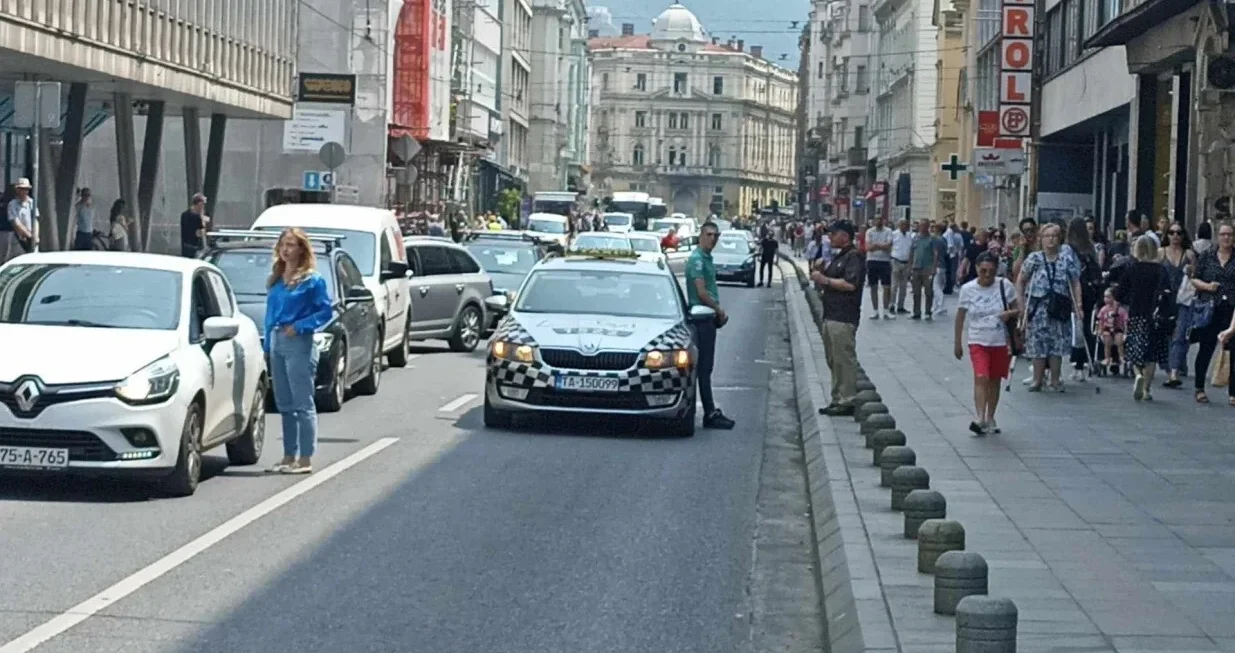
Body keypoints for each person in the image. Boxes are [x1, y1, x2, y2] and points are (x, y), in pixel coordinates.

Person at [265, 228, 335, 474]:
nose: (286, 249)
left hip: (299, 343)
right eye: (283, 244)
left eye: (291, 244)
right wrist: (267, 346)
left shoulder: (312, 280)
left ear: (301, 249)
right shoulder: (276, 276)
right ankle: (288, 456)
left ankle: (305, 459)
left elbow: (325, 312)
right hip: (277, 341)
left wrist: (301, 326)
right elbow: (269, 313)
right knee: (284, 403)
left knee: (302, 402)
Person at [953, 252, 1019, 435]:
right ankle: (980, 417)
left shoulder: (1005, 286)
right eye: (983, 271)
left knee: (995, 379)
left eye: (991, 271)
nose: (987, 275)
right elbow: (960, 316)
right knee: (981, 376)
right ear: (976, 269)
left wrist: (1010, 314)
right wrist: (957, 342)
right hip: (977, 339)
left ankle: (991, 416)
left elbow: (1018, 309)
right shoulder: (968, 289)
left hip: (1000, 340)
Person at [1015, 222, 1083, 392]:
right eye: (1047, 236)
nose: (1051, 239)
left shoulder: (1066, 258)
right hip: (1038, 307)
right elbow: (1021, 281)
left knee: (1057, 344)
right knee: (1037, 344)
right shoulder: (1034, 259)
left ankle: (1055, 379)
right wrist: (1021, 304)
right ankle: (1037, 379)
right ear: (1042, 239)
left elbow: (1075, 282)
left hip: (1059, 307)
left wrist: (1078, 304)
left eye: (1054, 236)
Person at [811, 220, 865, 416]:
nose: (830, 238)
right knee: (833, 359)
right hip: (830, 313)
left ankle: (847, 399)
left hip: (843, 316)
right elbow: (825, 282)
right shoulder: (838, 256)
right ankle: (837, 398)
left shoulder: (854, 257)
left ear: (845, 236)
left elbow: (850, 284)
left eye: (833, 234)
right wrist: (819, 271)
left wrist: (824, 279)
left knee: (844, 359)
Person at [685, 222, 736, 429]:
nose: (713, 239)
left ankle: (709, 410)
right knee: (704, 368)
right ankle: (709, 413)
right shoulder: (697, 260)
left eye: (716, 235)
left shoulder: (706, 258)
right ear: (701, 235)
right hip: (702, 318)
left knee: (705, 368)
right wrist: (719, 310)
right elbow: (701, 292)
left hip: (707, 317)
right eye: (709, 234)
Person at [1116, 236, 1173, 401]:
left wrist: (1129, 300)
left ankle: (1137, 374)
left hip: (1137, 314)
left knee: (1135, 350)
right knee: (1151, 354)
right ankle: (1147, 389)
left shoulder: (1132, 268)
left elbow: (1120, 293)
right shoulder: (1161, 270)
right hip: (1155, 316)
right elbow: (1168, 293)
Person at [1190, 221, 1235, 405]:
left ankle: (1233, 392)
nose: (1227, 238)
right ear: (1218, 236)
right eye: (1223, 234)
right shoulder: (1208, 256)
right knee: (1206, 348)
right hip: (1211, 308)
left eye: (1230, 235)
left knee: (1234, 352)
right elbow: (1194, 279)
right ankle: (1199, 387)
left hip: (1232, 310)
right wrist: (1208, 287)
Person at [864, 216, 894, 319]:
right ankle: (875, 310)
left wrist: (875, 245)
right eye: (876, 219)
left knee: (887, 287)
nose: (878, 221)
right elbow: (868, 248)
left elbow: (889, 245)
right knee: (873, 286)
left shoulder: (888, 231)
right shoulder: (869, 232)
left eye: (880, 219)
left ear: (883, 220)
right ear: (873, 221)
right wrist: (882, 246)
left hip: (885, 261)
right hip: (872, 261)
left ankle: (886, 310)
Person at [909, 220, 939, 321]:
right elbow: (911, 252)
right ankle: (916, 312)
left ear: (928, 227)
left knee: (928, 291)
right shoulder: (915, 238)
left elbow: (935, 254)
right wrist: (910, 266)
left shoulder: (932, 239)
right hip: (916, 268)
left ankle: (928, 311)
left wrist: (934, 268)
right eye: (921, 226)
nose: (922, 228)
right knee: (916, 292)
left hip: (927, 268)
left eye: (925, 226)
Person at [1095, 288, 1128, 372]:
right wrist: (1099, 330)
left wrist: (1126, 331)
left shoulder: (1120, 309)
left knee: (1119, 341)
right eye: (1105, 297)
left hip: (1118, 328)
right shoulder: (1103, 309)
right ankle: (1107, 358)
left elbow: (1125, 320)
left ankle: (1121, 357)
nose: (1106, 299)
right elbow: (1100, 321)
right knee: (1107, 343)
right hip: (1107, 328)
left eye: (1108, 297)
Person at [7, 178, 38, 255]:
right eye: (21, 189)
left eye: (26, 189)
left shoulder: (32, 202)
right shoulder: (12, 204)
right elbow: (15, 222)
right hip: (18, 239)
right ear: (17, 190)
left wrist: (35, 236)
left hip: (32, 240)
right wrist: (29, 236)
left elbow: (36, 220)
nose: (24, 191)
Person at [889, 218, 913, 314]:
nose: (905, 226)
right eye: (903, 224)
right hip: (896, 261)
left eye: (906, 224)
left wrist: (910, 263)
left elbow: (911, 249)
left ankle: (901, 305)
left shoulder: (909, 235)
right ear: (899, 225)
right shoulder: (894, 234)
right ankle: (892, 304)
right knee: (894, 285)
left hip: (906, 262)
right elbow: (890, 245)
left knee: (903, 286)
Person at [179, 193, 210, 258]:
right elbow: (200, 233)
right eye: (203, 204)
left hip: (186, 246)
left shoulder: (184, 214)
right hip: (195, 248)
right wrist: (202, 219)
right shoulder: (197, 217)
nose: (204, 206)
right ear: (199, 204)